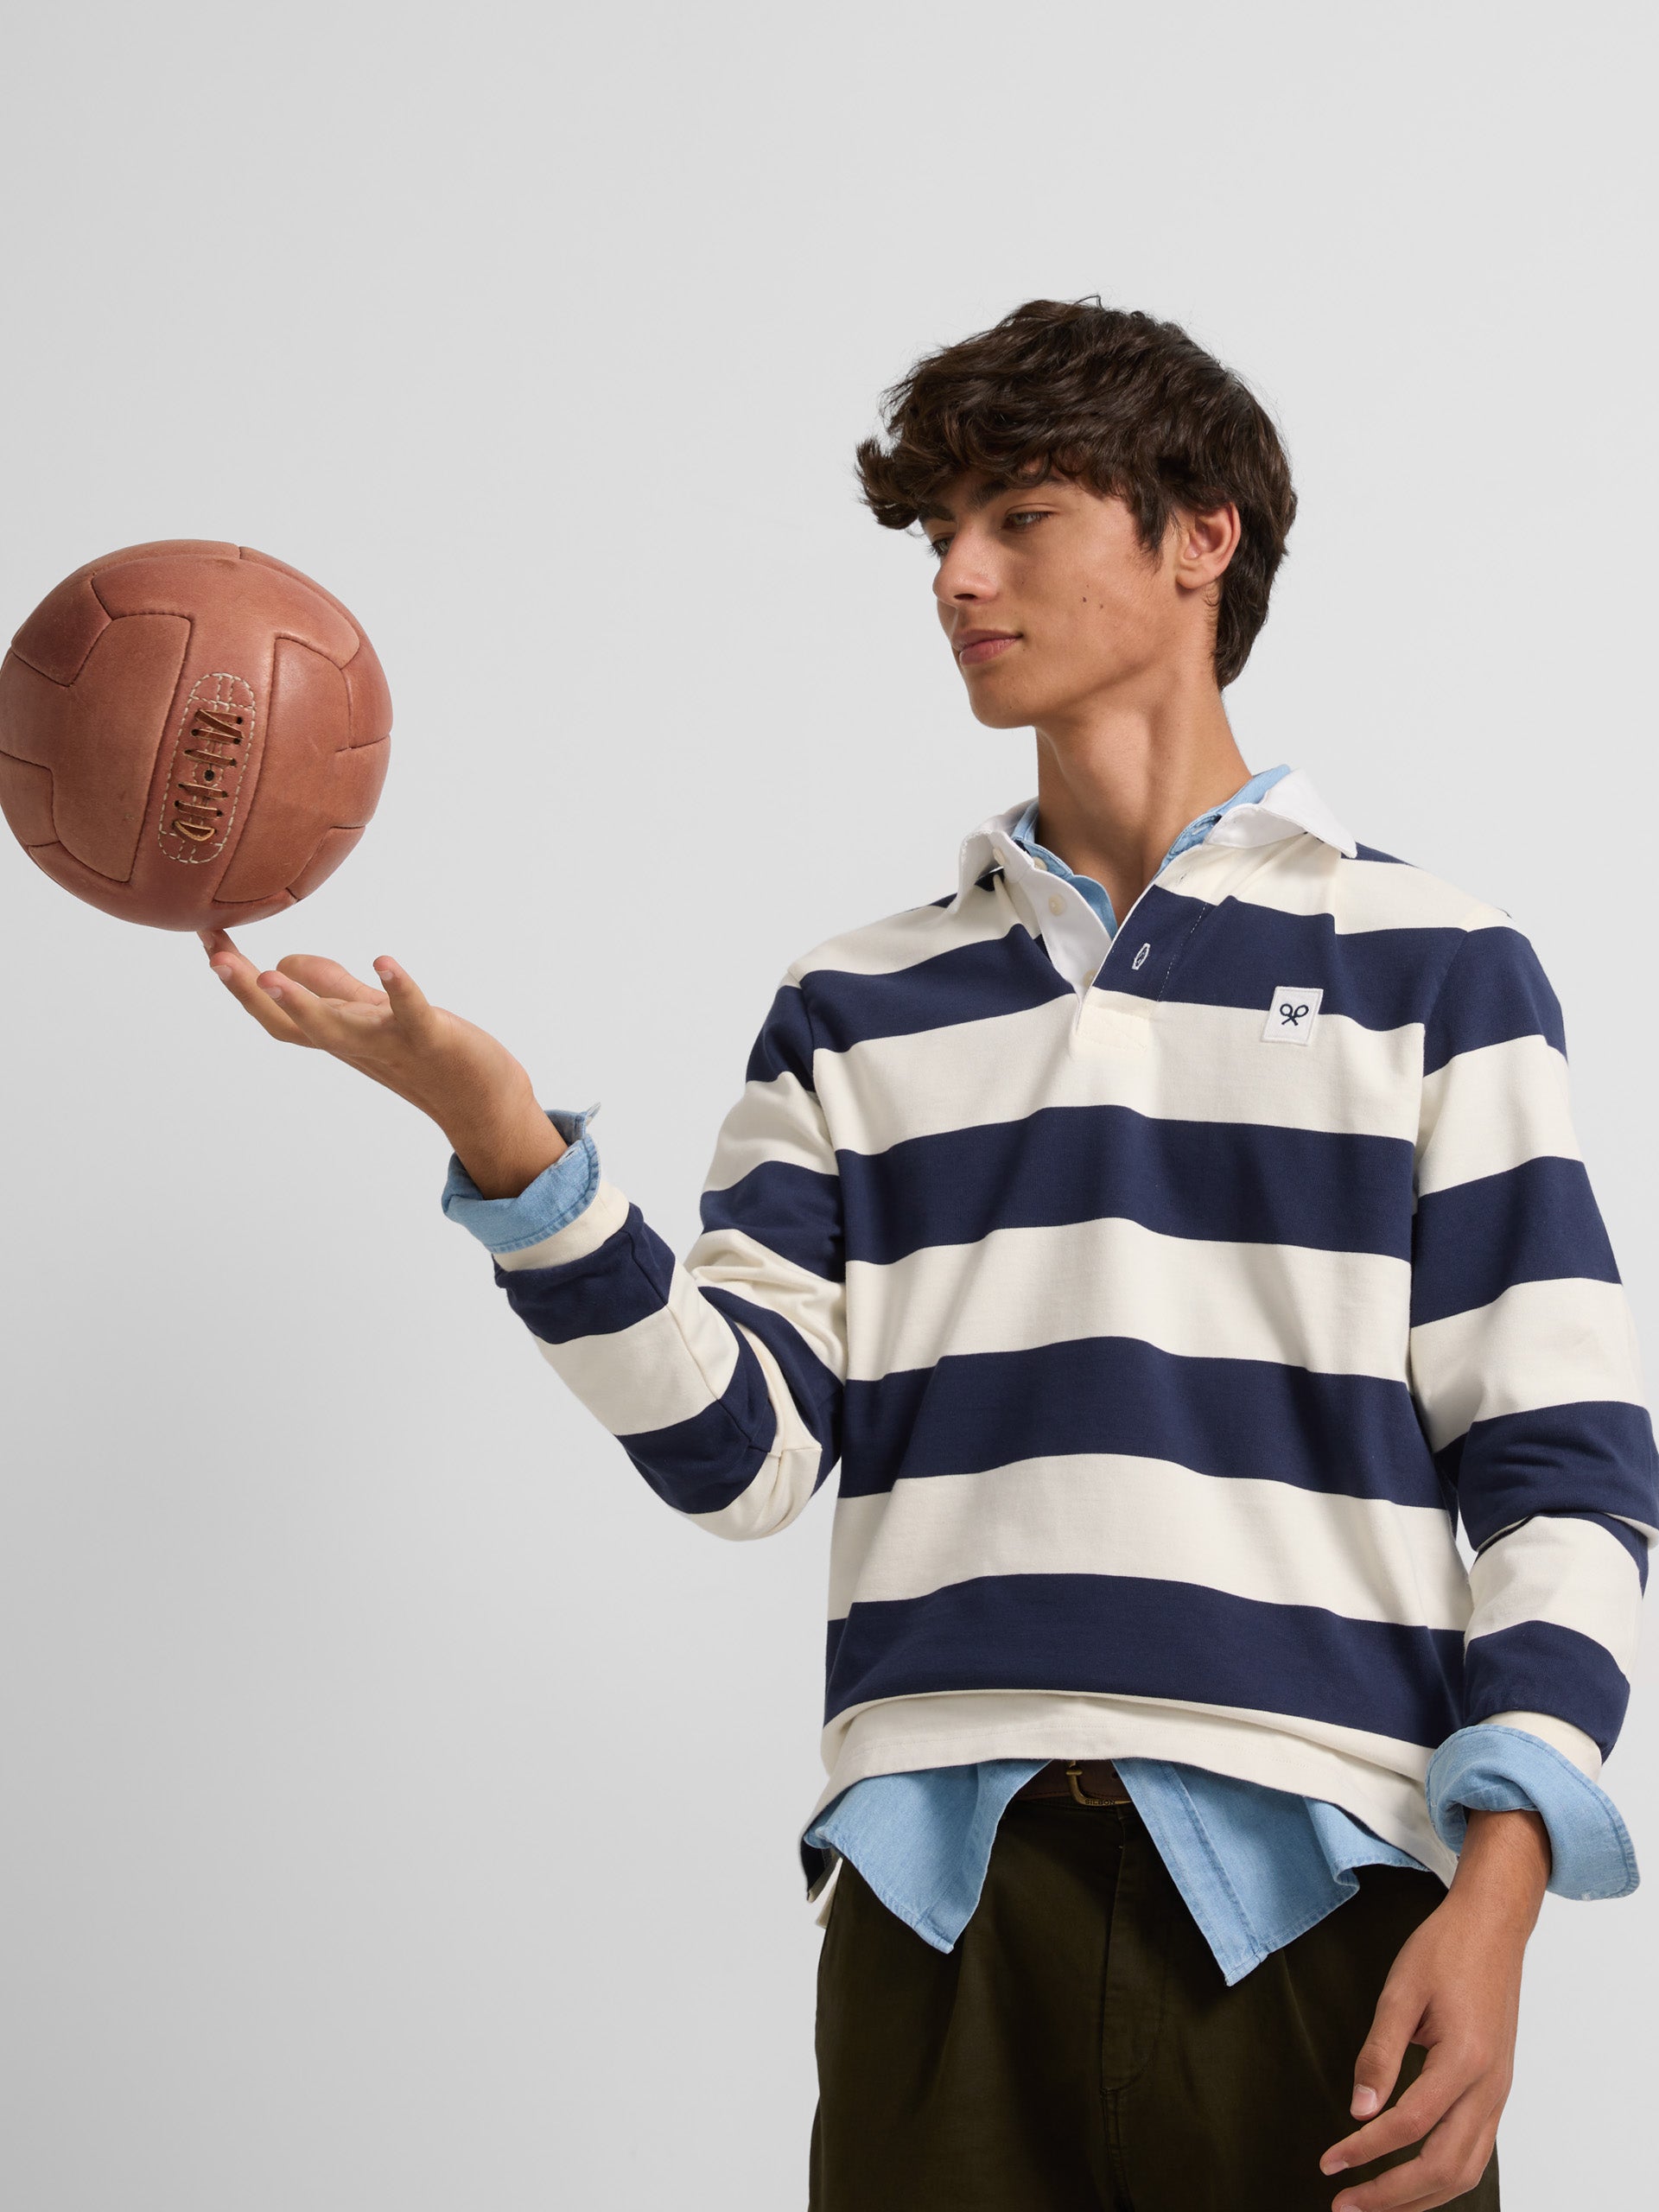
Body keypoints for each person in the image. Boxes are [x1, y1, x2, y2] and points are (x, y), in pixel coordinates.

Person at [200, 299, 1655, 2212]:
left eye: (1017, 518)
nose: (958, 577)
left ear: (1201, 534)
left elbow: (1560, 1464)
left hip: (1330, 1892)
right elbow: (741, 1452)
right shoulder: (852, 1004)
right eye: (938, 535)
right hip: (939, 1906)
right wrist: (505, 1143)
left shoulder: (1439, 964)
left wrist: (1505, 1887)